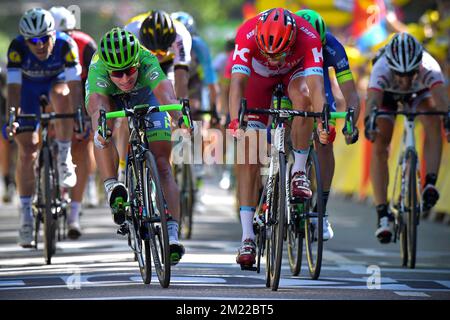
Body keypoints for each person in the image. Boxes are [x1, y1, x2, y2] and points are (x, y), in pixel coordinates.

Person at [227, 8, 330, 267]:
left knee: (305, 100)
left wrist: (323, 122)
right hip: (257, 79)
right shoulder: (247, 34)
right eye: (269, 53)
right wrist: (234, 120)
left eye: (280, 52)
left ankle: (298, 171)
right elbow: (237, 83)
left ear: (293, 38)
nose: (274, 58)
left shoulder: (308, 37)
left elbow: (317, 87)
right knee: (249, 152)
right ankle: (247, 237)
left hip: (293, 74)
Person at [85, 27, 187, 265]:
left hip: (146, 95)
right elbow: (97, 105)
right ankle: (112, 186)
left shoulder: (146, 59)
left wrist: (180, 118)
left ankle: (171, 234)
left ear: (136, 63)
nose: (125, 78)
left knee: (162, 165)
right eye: (118, 73)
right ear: (109, 70)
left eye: (130, 70)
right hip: (109, 97)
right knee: (103, 129)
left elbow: (167, 97)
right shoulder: (99, 67)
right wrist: (101, 128)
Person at [6, 8, 83, 248]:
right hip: (28, 89)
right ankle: (26, 216)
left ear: (53, 34)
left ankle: (63, 156)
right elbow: (14, 89)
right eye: (33, 41)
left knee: (63, 98)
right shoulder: (17, 48)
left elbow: (74, 84)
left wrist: (79, 114)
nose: (39, 45)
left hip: (56, 83)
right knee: (27, 151)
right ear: (25, 40)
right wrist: (13, 117)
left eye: (44, 39)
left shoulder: (66, 45)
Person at [364, 32, 450, 244]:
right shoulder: (380, 68)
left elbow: (442, 102)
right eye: (399, 74)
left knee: (433, 120)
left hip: (419, 93)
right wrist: (369, 123)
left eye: (409, 73)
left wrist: (447, 121)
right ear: (390, 66)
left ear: (418, 66)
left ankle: (430, 181)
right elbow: (373, 101)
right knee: (380, 144)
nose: (404, 80)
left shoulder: (430, 66)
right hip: (388, 96)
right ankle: (382, 213)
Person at [295, 9, 361, 241]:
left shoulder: (333, 46)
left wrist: (351, 122)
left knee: (324, 141)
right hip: (291, 82)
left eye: (318, 44)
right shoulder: (289, 40)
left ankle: (320, 211)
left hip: (320, 87)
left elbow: (351, 94)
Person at [49, 6, 98, 239]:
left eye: (69, 32)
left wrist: (88, 116)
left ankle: (74, 213)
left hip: (82, 92)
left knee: (82, 144)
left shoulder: (86, 44)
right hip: (52, 92)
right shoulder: (43, 45)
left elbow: (97, 82)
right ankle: (44, 179)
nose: (64, 38)